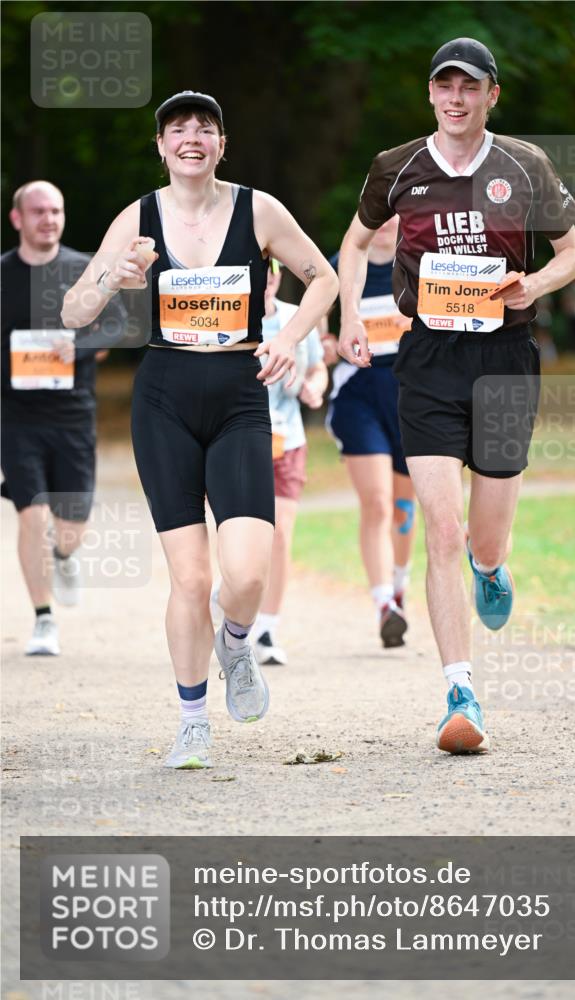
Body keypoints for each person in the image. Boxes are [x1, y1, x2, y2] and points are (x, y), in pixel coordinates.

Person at [62, 91, 338, 769]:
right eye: (177, 128)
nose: (191, 137)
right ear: (160, 145)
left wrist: (290, 338)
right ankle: (192, 723)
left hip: (242, 396)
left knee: (245, 573)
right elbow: (72, 310)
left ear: (221, 143)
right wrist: (114, 279)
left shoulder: (258, 209)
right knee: (189, 580)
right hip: (165, 401)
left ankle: (236, 642)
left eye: (204, 128)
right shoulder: (138, 217)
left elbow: (323, 277)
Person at [338, 39, 575, 754]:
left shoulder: (524, 166)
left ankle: (490, 566)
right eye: (443, 86)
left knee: (481, 538)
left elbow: (571, 252)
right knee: (439, 532)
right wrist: (351, 314)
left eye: (468, 88)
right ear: (430, 95)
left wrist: (530, 285)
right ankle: (460, 690)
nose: (455, 98)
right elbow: (354, 245)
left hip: (506, 357)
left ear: (490, 96)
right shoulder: (396, 168)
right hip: (428, 359)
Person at [1, 181, 125, 656]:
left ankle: (64, 554)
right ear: (18, 219)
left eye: (56, 210)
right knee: (31, 515)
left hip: (73, 414)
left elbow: (117, 325)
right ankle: (43, 619)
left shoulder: (82, 269)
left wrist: (80, 346)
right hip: (14, 416)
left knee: (71, 526)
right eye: (38, 211)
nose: (48, 219)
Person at [212, 260, 328, 666]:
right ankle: (231, 598)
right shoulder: (220, 311)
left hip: (286, 440)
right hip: (235, 440)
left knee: (280, 537)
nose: (266, 280)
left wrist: (314, 387)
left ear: (279, 276)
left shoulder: (298, 318)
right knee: (236, 538)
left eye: (272, 272)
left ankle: (266, 630)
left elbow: (317, 368)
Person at [324, 216, 417, 648]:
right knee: (377, 503)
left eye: (393, 214)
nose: (385, 223)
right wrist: (324, 347)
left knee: (402, 506)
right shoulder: (341, 266)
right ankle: (384, 605)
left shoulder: (418, 263)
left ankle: (398, 586)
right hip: (359, 397)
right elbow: (320, 335)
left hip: (413, 398)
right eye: (377, 214)